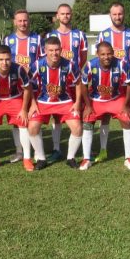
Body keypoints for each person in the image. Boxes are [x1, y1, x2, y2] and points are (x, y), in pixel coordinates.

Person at [28, 36, 83, 169]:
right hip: (43, 101)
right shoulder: (37, 65)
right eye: (51, 50)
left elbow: (78, 83)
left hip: (64, 101)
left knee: (77, 128)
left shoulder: (69, 65)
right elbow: (27, 84)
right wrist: (33, 103)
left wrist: (77, 103)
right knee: (32, 127)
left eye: (57, 50)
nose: (54, 53)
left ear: (61, 50)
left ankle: (70, 158)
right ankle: (41, 159)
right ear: (45, 50)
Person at [79, 41, 130, 170]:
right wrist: (88, 106)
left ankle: (128, 158)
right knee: (87, 120)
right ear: (97, 54)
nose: (106, 57)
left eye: (109, 54)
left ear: (113, 53)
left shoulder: (122, 64)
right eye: (103, 54)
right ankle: (86, 159)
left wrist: (126, 105)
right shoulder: (90, 65)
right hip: (96, 99)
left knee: (127, 119)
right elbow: (83, 84)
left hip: (115, 98)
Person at [95, 2, 130, 162]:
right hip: (107, 81)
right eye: (114, 14)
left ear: (124, 14)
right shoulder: (103, 35)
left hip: (126, 83)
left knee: (129, 115)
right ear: (110, 15)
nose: (117, 17)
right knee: (104, 116)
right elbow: (98, 58)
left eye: (120, 14)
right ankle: (103, 150)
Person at [44, 3, 88, 163]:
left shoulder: (80, 35)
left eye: (68, 13)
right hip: (57, 82)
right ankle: (56, 148)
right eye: (62, 14)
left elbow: (83, 57)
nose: (65, 16)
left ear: (71, 15)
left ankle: (81, 146)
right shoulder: (50, 35)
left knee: (79, 113)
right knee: (56, 117)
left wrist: (75, 72)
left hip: (74, 82)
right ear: (57, 16)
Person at [4, 9, 42, 163]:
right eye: (19, 20)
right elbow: (3, 61)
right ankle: (19, 151)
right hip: (15, 86)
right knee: (17, 119)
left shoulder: (37, 39)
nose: (22, 23)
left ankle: (37, 151)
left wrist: (30, 69)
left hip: (34, 85)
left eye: (25, 20)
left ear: (29, 21)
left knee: (34, 117)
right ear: (14, 22)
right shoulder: (8, 40)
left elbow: (43, 62)